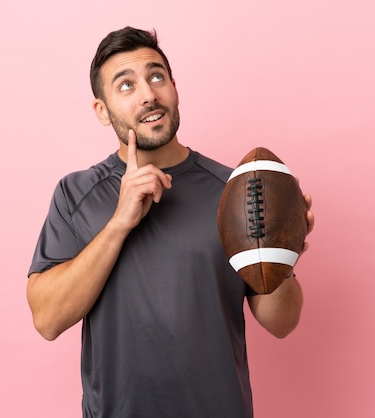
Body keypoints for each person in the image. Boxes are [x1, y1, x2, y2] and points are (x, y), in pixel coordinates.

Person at [27, 26, 314, 418]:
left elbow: (283, 323)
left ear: (175, 88)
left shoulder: (234, 193)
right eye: (126, 85)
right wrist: (119, 223)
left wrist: (284, 252)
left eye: (157, 76)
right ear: (102, 109)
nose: (148, 94)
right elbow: (47, 320)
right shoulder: (76, 195)